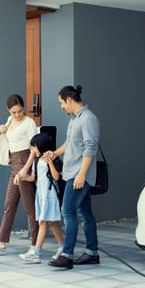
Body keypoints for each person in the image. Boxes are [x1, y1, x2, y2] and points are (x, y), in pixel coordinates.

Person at [47, 85, 100, 269]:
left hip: (78, 175)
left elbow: (90, 148)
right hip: (72, 173)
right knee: (85, 214)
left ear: (69, 99)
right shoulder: (74, 119)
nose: (61, 106)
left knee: (67, 212)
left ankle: (67, 255)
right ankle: (92, 253)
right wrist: (54, 154)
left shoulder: (88, 119)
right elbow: (69, 144)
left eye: (61, 102)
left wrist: (82, 175)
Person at [0, 94, 39, 255]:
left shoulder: (29, 123)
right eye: (14, 112)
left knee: (30, 208)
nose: (17, 114)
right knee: (8, 205)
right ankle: (1, 241)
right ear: (9, 110)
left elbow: (34, 149)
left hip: (25, 164)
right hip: (14, 164)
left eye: (20, 111)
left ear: (23, 107)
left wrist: (25, 170)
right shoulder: (9, 120)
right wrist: (3, 131)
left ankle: (35, 244)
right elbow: (9, 142)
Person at [18, 133, 65, 264]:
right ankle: (63, 246)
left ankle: (36, 253)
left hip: (50, 195)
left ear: (41, 146)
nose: (32, 149)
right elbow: (33, 178)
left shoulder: (53, 159)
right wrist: (22, 177)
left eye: (34, 147)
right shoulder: (37, 160)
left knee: (43, 222)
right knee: (52, 223)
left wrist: (50, 162)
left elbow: (56, 177)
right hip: (41, 194)